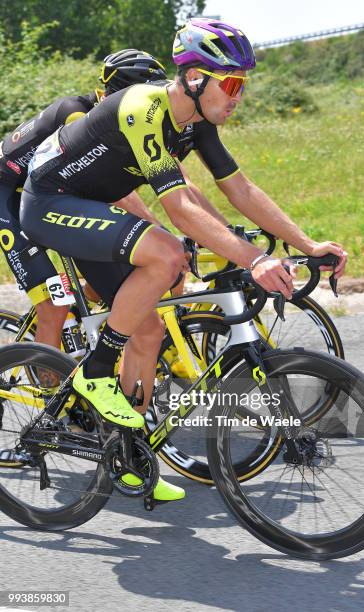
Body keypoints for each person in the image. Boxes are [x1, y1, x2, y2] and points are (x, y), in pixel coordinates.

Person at [20, 18, 347, 501]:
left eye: (242, 86)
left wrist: (307, 244)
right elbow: (179, 208)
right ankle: (93, 373)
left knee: (148, 331)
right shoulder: (143, 107)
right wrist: (256, 258)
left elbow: (239, 189)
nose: (238, 96)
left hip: (92, 208)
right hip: (48, 203)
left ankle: (126, 459)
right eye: (231, 83)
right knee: (168, 252)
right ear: (195, 79)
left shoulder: (197, 122)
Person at [0, 49, 168, 468]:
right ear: (114, 91)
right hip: (8, 198)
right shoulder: (78, 116)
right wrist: (160, 232)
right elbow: (125, 197)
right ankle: (49, 414)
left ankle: (87, 353)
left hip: (44, 199)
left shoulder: (113, 122)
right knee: (54, 303)